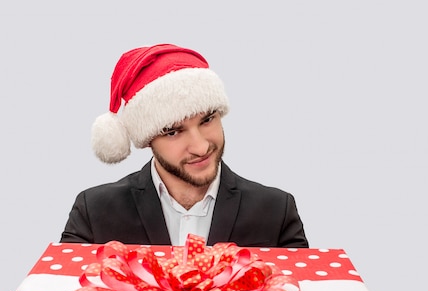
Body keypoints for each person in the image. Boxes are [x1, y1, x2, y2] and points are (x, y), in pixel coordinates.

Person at [60, 43, 309, 248]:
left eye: (208, 119)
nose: (200, 147)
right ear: (147, 140)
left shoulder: (276, 212)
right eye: (173, 132)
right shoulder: (94, 211)